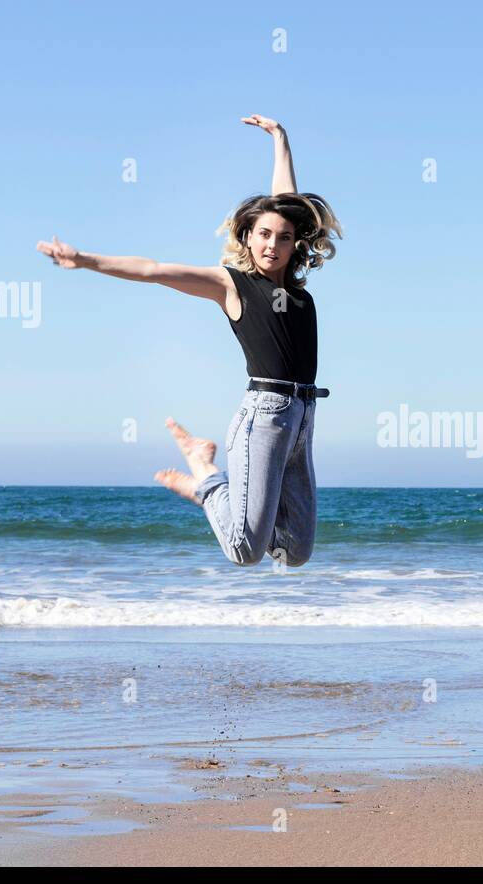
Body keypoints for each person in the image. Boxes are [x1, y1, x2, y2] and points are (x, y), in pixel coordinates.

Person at [35, 114, 343, 567]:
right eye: (262, 234)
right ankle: (205, 476)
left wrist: (280, 140)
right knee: (244, 551)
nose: (271, 244)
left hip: (303, 417)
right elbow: (154, 270)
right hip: (264, 418)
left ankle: (211, 474)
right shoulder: (232, 285)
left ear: (296, 244)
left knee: (293, 552)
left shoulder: (296, 291)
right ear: (248, 235)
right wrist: (85, 260)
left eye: (283, 237)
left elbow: (287, 202)